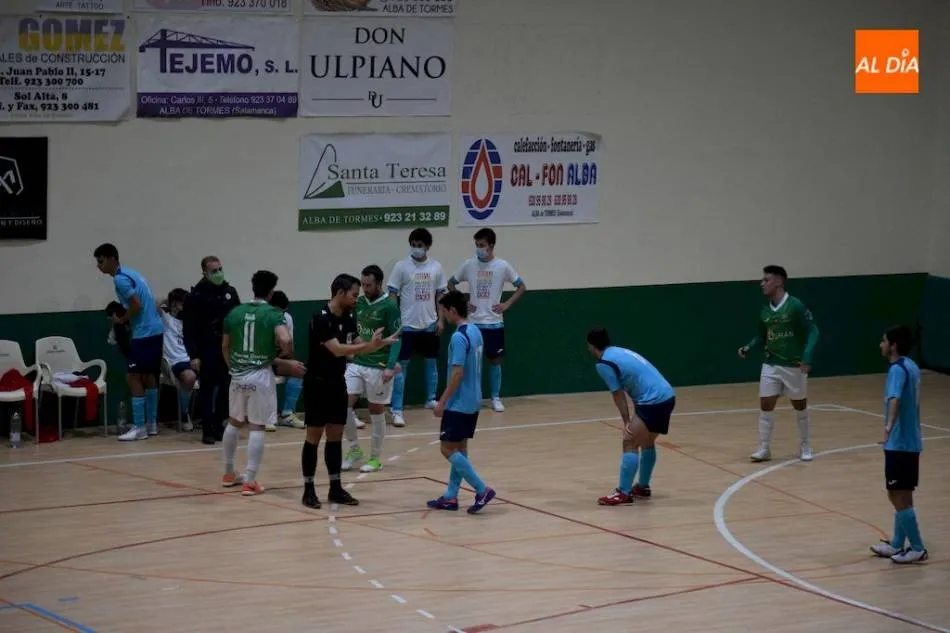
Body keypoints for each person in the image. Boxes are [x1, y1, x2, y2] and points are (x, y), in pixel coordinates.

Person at [301, 273, 399, 509]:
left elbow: (355, 346)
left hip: (337, 383)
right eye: (354, 294)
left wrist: (380, 345)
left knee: (335, 435)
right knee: (314, 437)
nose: (358, 298)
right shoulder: (320, 318)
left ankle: (335, 488)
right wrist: (370, 346)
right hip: (317, 384)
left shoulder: (349, 316)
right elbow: (337, 350)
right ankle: (309, 490)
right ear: (340, 293)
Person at [221, 270, 305, 496]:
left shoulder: (235, 312)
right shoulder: (273, 314)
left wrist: (233, 367)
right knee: (257, 426)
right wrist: (284, 353)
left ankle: (229, 473)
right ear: (270, 291)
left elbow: (225, 347)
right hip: (259, 375)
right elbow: (286, 339)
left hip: (237, 375)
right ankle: (250, 480)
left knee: (234, 422)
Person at [586, 327, 676, 505]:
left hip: (653, 401)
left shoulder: (604, 363)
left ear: (591, 346)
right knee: (647, 441)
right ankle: (642, 487)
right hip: (667, 395)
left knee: (630, 442)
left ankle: (623, 493)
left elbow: (617, 393)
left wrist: (626, 421)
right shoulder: (618, 351)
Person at [738, 265, 819, 462]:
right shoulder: (765, 310)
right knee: (765, 404)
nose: (762, 284)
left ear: (779, 282)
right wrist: (749, 347)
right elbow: (761, 335)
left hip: (794, 365)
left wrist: (807, 356)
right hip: (770, 364)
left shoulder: (795, 305)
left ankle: (805, 445)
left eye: (766, 280)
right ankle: (764, 448)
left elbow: (813, 331)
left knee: (800, 405)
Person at [426, 290, 496, 514]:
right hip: (474, 400)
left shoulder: (458, 337)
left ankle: (481, 489)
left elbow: (457, 374)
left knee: (447, 449)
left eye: (443, 311)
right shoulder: (475, 331)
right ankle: (450, 497)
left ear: (452, 310)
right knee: (460, 449)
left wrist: (442, 402)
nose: (442, 315)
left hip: (459, 402)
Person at [447, 228, 526, 413]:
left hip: (494, 322)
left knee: (495, 360)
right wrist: (463, 303)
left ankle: (496, 397)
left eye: (482, 245)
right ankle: (470, 396)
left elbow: (521, 286)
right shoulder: (469, 265)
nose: (479, 249)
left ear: (491, 245)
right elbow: (451, 283)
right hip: (473, 323)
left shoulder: (503, 266)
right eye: (477, 245)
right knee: (469, 362)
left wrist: (506, 305)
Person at [94, 243, 164, 441]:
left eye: (101, 262)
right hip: (156, 330)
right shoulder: (133, 273)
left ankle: (140, 427)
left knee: (133, 377)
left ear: (111, 259)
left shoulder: (120, 279)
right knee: (148, 375)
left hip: (144, 332)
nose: (99, 266)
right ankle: (152, 424)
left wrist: (122, 320)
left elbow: (137, 305)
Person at [870, 325, 927, 564]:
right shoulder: (911, 366)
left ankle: (917, 547)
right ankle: (896, 544)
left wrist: (887, 429)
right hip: (911, 440)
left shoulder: (896, 369)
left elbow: (895, 400)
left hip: (900, 443)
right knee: (903, 493)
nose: (881, 345)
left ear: (893, 345)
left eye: (884, 341)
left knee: (896, 494)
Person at [342, 265, 402, 472]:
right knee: (342, 404)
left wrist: (390, 365)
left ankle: (375, 458)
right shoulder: (358, 303)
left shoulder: (389, 306)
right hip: (358, 362)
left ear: (379, 284)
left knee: (376, 410)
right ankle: (354, 449)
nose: (365, 289)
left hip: (379, 365)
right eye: (363, 285)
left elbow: (396, 338)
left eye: (369, 285)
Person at [387, 228, 446, 427]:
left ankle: (430, 399)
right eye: (413, 244)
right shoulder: (401, 267)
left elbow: (440, 295)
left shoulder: (436, 267)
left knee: (431, 364)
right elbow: (393, 294)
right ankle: (397, 409)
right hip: (406, 326)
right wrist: (395, 323)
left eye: (420, 245)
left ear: (427, 246)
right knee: (400, 367)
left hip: (429, 324)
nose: (416, 248)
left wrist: (440, 320)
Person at [184, 256, 241, 445]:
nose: (218, 273)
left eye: (220, 269)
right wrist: (194, 355)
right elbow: (189, 329)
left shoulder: (230, 292)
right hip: (206, 348)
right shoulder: (196, 296)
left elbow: (238, 319)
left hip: (228, 348)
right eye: (214, 271)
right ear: (205, 273)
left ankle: (219, 425)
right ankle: (207, 429)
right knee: (208, 390)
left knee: (227, 388)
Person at [268, 290, 306, 430]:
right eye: (279, 312)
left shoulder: (287, 318)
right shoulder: (263, 320)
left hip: (277, 360)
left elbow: (290, 347)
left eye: (284, 312)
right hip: (260, 362)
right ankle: (266, 416)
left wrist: (288, 358)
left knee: (299, 369)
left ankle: (286, 414)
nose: (282, 316)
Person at [160, 288, 197, 431]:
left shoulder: (189, 320)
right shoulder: (166, 319)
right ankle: (184, 413)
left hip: (192, 359)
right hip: (176, 362)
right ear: (176, 304)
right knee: (189, 376)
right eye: (183, 303)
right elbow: (154, 304)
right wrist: (168, 302)